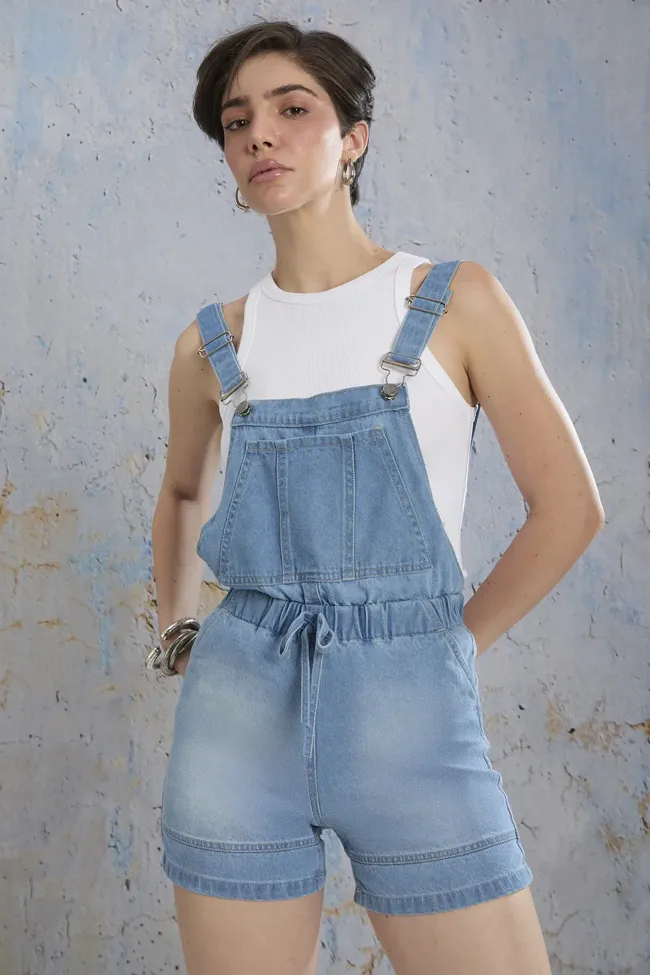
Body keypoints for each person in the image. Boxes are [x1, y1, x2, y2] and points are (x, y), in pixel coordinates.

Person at [149, 19, 604, 975]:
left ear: (353, 137)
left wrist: (452, 645)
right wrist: (180, 629)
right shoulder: (211, 343)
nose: (260, 135)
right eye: (237, 122)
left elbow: (569, 507)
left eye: (292, 109)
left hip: (412, 713)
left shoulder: (452, 301)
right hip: (238, 716)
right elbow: (183, 490)